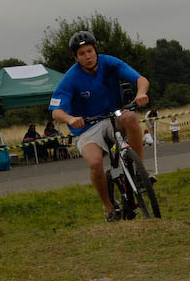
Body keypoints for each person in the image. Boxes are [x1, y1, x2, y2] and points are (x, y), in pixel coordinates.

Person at [49, 30, 150, 222]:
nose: (87, 56)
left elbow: (141, 80)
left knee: (130, 117)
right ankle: (108, 207)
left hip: (113, 116)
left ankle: (140, 173)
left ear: (95, 50)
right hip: (87, 127)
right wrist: (70, 119)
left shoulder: (109, 63)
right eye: (82, 54)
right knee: (95, 163)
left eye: (90, 51)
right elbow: (56, 111)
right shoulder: (70, 78)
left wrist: (141, 93)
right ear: (76, 58)